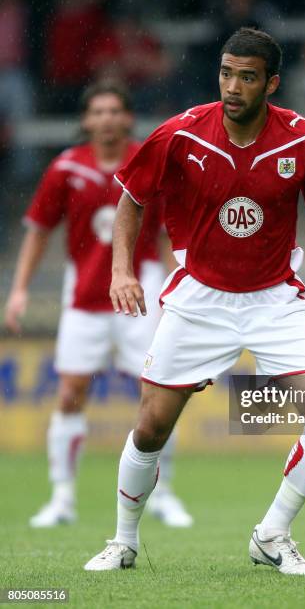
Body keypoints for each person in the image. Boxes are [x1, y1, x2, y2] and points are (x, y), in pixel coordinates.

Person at [84, 28, 305, 574]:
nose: (233, 86)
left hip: (273, 301)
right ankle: (123, 541)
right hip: (199, 300)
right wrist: (121, 271)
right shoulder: (181, 133)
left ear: (271, 83)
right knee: (151, 428)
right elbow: (132, 200)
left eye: (248, 76)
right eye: (226, 73)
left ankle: (272, 534)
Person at [4, 80, 192, 529]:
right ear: (86, 120)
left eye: (115, 110)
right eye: (98, 111)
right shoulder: (66, 167)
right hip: (84, 296)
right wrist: (19, 289)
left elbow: (170, 232)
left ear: (128, 117)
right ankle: (62, 499)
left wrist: (175, 290)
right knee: (70, 393)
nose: (107, 118)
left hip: (140, 294)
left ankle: (163, 495)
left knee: (156, 399)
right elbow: (38, 230)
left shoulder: (146, 162)